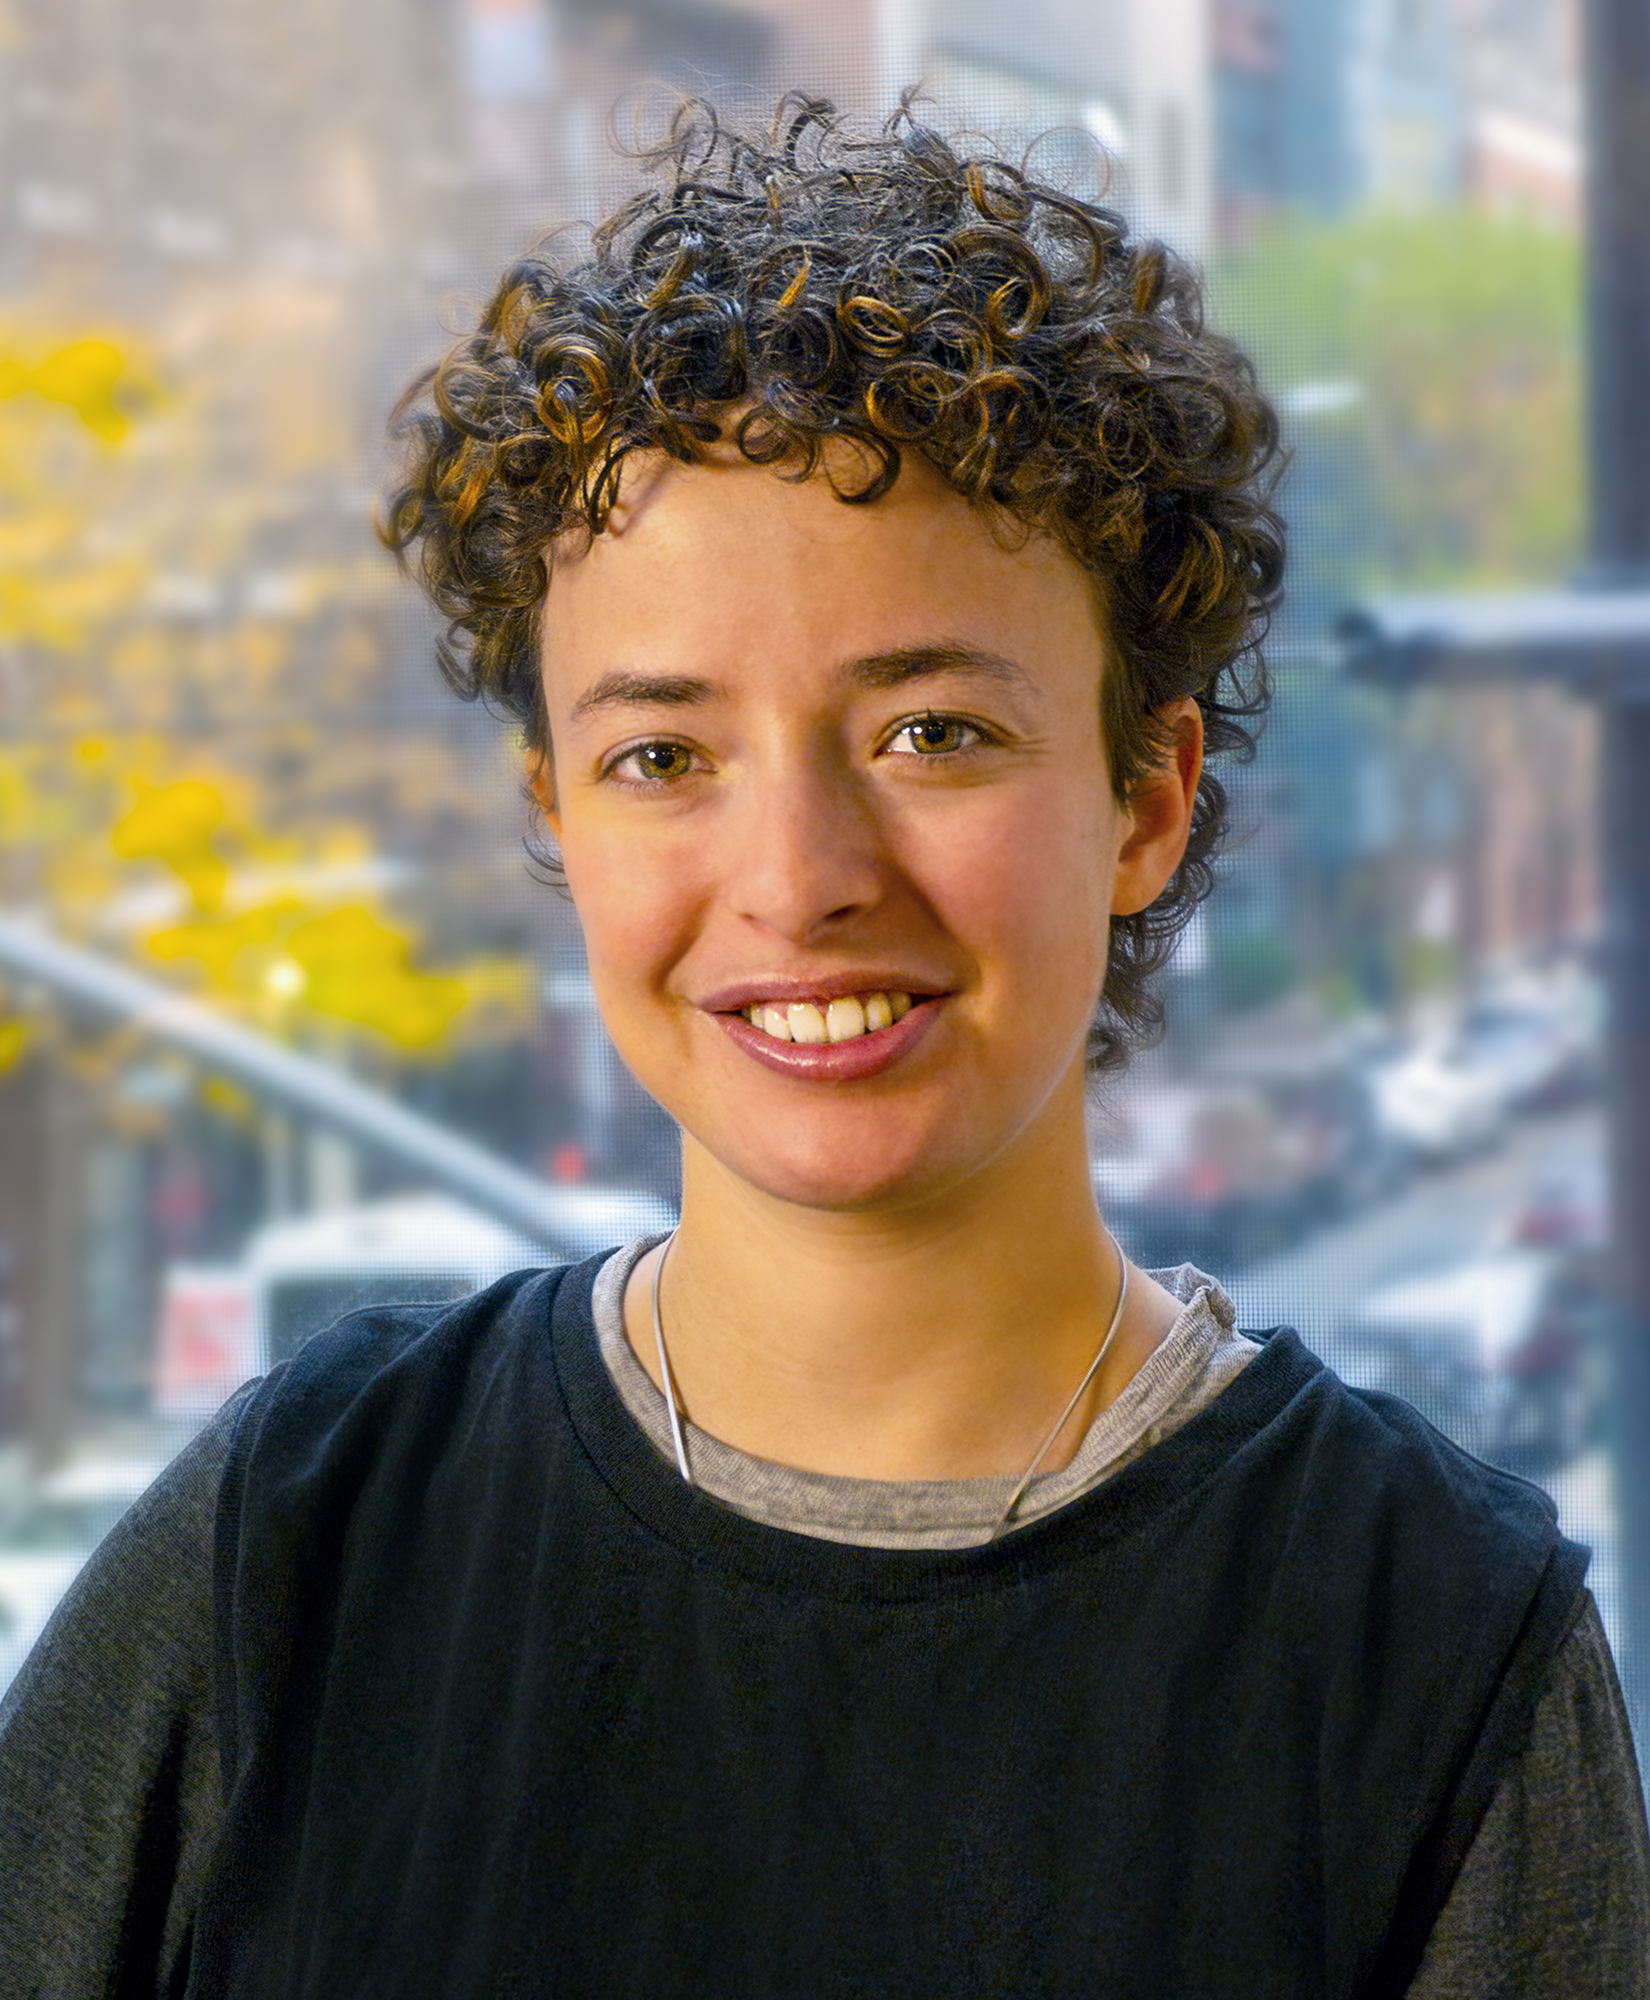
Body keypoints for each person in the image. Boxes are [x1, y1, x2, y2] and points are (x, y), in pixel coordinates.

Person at [1, 94, 1646, 1998]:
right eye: (660, 757)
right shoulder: (298, 1533)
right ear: (562, 815)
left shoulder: (1434, 1641)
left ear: (1145, 795)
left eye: (930, 731)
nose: (795, 880)